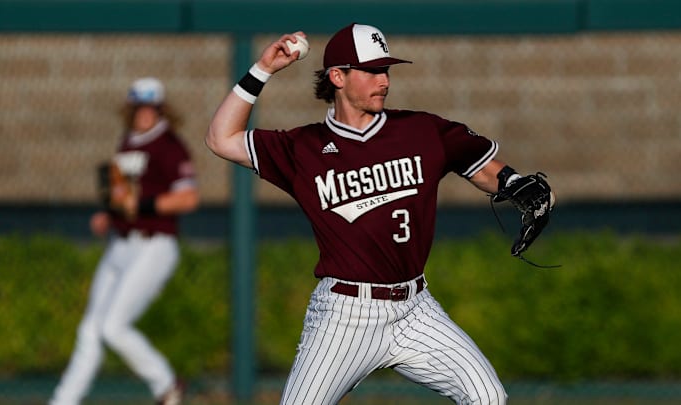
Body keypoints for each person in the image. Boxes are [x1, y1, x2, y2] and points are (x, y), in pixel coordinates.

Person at [207, 23, 552, 405]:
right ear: (338, 76)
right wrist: (262, 70)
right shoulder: (302, 147)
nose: (383, 80)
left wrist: (515, 182)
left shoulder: (422, 131)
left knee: (489, 398)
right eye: (371, 71)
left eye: (386, 70)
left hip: (416, 310)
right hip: (345, 315)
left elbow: (484, 168)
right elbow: (221, 139)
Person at [50, 77, 199, 405]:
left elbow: (187, 198)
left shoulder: (169, 146)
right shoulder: (128, 142)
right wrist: (110, 214)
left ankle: (166, 383)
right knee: (90, 330)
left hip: (154, 245)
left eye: (151, 107)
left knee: (113, 327)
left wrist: (141, 207)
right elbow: (124, 196)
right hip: (122, 243)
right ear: (130, 108)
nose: (145, 114)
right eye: (139, 107)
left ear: (162, 109)